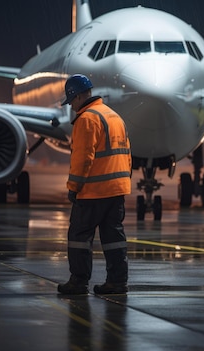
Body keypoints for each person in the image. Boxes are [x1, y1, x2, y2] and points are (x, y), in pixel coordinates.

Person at [57, 74, 132, 295]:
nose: (71, 106)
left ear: (79, 96)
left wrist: (74, 187)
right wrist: (123, 181)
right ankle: (117, 282)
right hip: (116, 190)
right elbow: (127, 153)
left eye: (71, 101)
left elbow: (83, 158)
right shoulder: (115, 116)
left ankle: (78, 282)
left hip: (93, 191)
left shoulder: (87, 119)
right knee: (114, 239)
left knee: (80, 237)